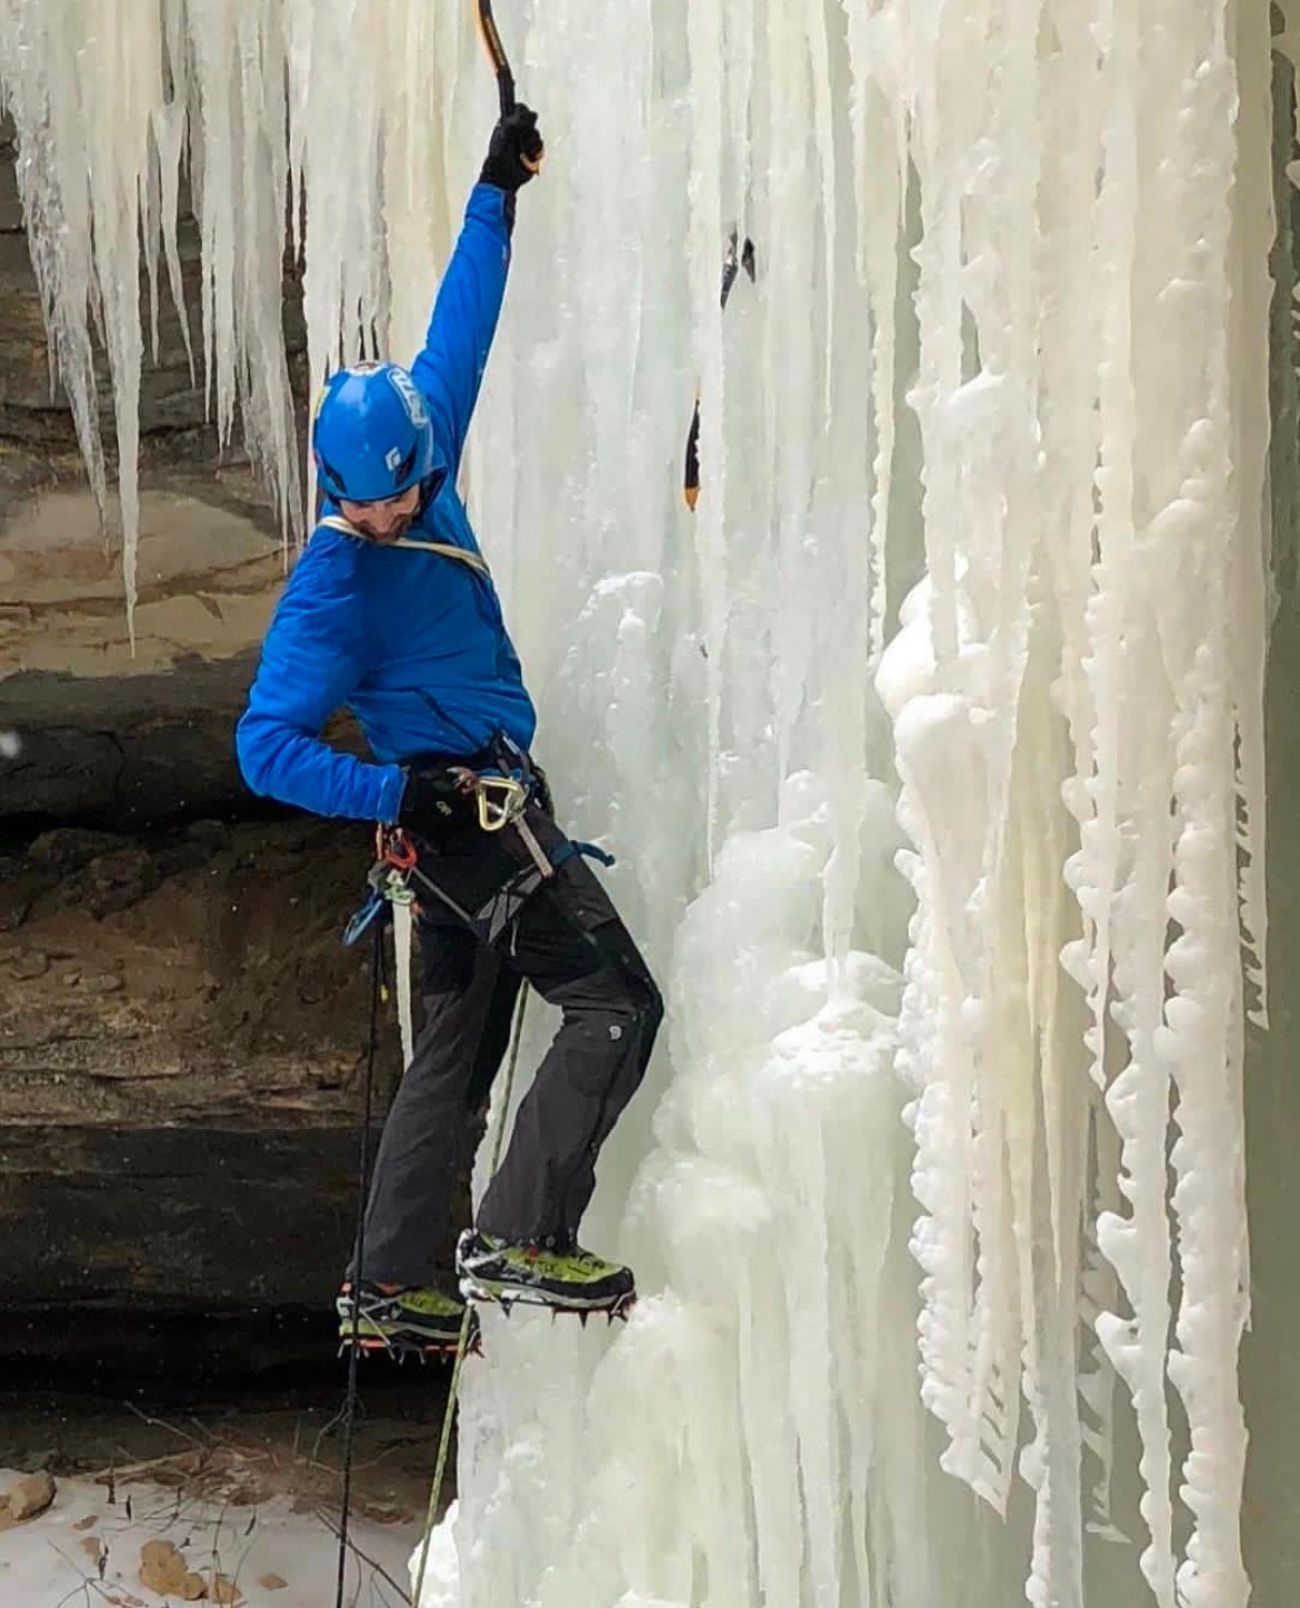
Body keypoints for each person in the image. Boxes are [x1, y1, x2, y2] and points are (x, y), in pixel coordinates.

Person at [236, 106, 662, 1352]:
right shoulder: (332, 588)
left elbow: (459, 324)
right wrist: (396, 797)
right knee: (615, 1006)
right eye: (369, 504)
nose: (392, 514)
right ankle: (523, 1236)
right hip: (459, 811)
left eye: (405, 491)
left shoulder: (427, 431)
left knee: (457, 1058)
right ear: (337, 491)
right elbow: (264, 747)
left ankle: (387, 1282)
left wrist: (496, 191)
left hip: (454, 825)